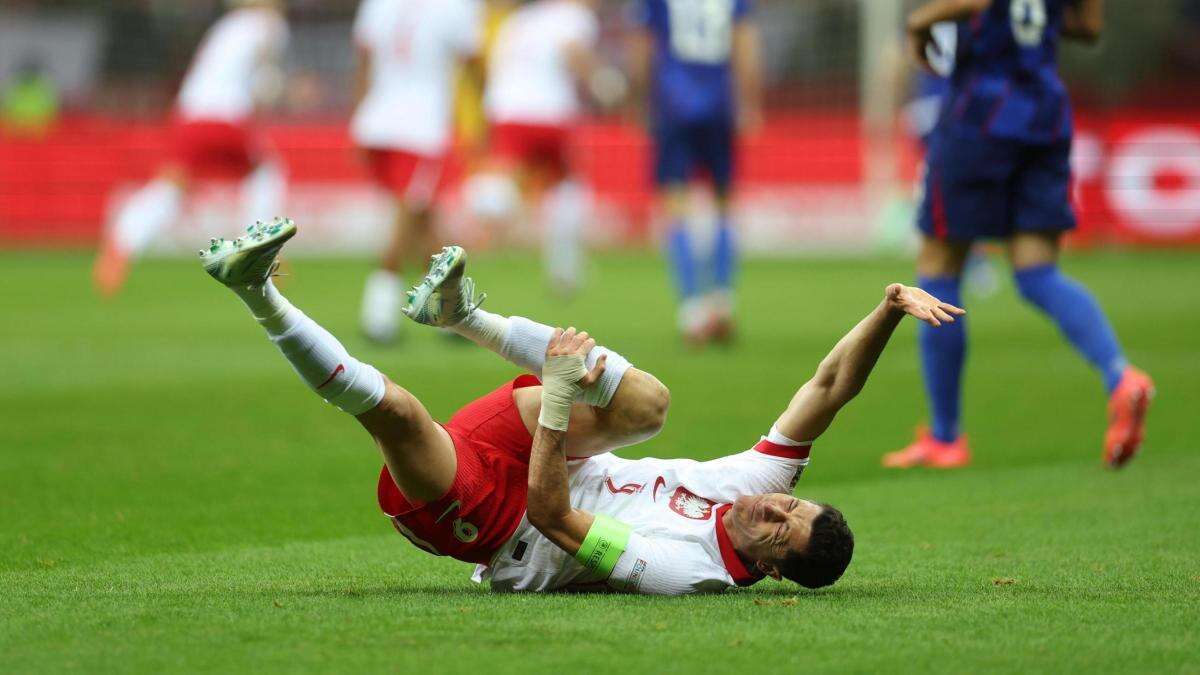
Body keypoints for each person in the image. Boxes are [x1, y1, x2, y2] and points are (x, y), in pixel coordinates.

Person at [200, 218, 963, 593]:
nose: (774, 509)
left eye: (780, 530)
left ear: (768, 568)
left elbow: (553, 518)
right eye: (792, 506)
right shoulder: (750, 490)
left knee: (396, 412)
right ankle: (462, 314)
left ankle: (255, 289)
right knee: (650, 403)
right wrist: (889, 307)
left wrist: (561, 395)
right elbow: (828, 390)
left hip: (505, 528)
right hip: (554, 450)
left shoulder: (686, 571)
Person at [884, 0, 1153, 471]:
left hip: (979, 115)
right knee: (1038, 272)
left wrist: (921, 20)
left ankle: (946, 437)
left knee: (939, 267)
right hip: (1045, 115)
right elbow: (1088, 26)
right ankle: (1121, 376)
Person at [94, 0, 289, 298]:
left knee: (171, 186)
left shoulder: (227, 26)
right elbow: (264, 80)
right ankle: (260, 251)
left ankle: (122, 242)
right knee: (266, 173)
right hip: (228, 116)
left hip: (190, 114)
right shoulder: (268, 24)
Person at [627, 0, 762, 345]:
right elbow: (744, 43)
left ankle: (692, 311)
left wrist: (639, 101)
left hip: (673, 103)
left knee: (675, 205)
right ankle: (722, 302)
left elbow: (642, 47)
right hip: (719, 104)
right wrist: (749, 103)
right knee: (723, 203)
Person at [351, 0, 484, 344]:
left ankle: (453, 313)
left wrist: (358, 114)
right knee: (409, 215)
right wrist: (485, 112)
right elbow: (473, 61)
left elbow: (364, 57)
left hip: (377, 119)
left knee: (421, 217)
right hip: (420, 126)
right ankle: (378, 313)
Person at [474, 0, 616, 296]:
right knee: (566, 187)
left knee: (503, 179)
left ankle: (478, 231)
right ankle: (564, 268)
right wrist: (605, 83)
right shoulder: (574, 16)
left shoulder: (521, 19)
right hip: (549, 110)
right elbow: (573, 51)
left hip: (505, 109)